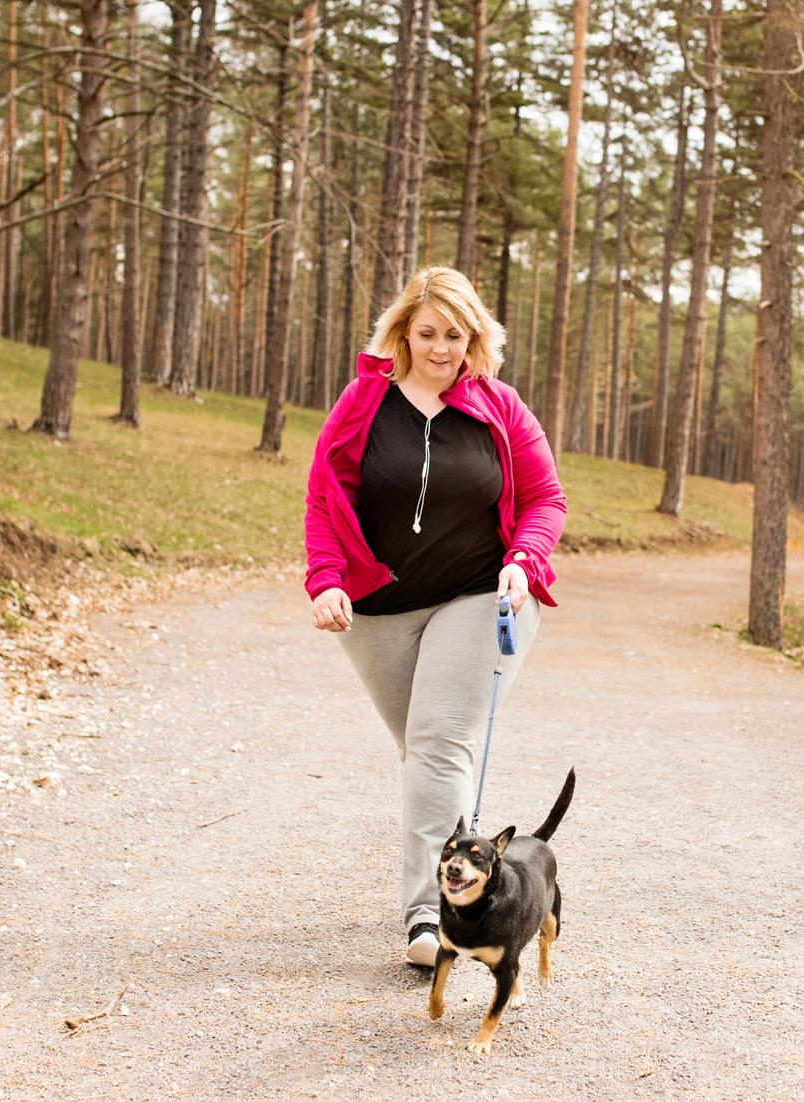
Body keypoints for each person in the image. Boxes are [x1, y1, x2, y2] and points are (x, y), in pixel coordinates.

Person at [304, 266, 567, 967]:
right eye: (426, 334)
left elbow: (546, 499)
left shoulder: (500, 407)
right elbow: (325, 498)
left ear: (474, 336)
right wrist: (325, 580)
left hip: (482, 595)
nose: (441, 349)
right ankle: (475, 874)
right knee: (424, 753)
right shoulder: (364, 403)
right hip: (379, 610)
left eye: (455, 335)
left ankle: (431, 917)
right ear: (402, 334)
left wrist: (523, 559)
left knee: (439, 743)